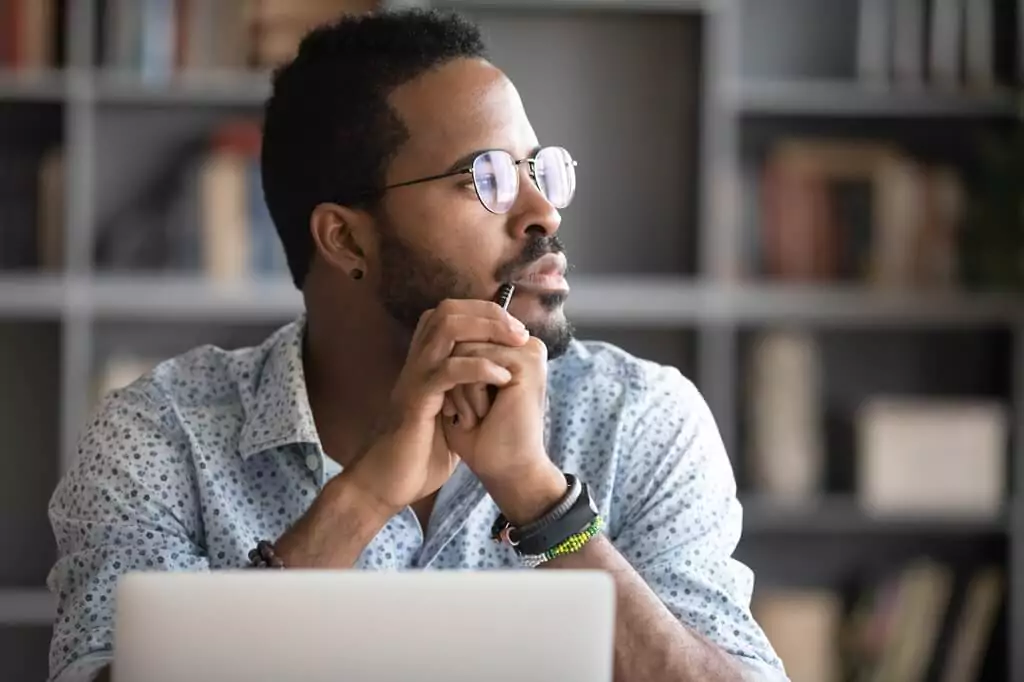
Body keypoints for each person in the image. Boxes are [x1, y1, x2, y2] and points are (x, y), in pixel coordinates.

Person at [46, 8, 788, 682]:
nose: (541, 210)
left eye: (538, 170)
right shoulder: (160, 437)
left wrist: (540, 501)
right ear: (345, 238)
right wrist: (363, 497)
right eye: (486, 177)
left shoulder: (640, 417)